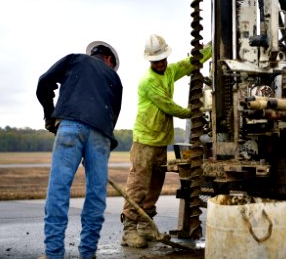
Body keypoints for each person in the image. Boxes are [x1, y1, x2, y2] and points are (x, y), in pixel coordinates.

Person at [120, 34, 212, 248]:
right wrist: (193, 112)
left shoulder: (169, 71)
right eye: (156, 61)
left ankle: (145, 226)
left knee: (154, 186)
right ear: (150, 61)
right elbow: (169, 107)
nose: (161, 64)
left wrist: (209, 50)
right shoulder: (148, 81)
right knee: (138, 185)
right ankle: (129, 230)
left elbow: (188, 64)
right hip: (145, 141)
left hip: (161, 141)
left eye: (163, 59)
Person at [36, 41, 123, 259]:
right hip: (101, 135)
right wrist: (96, 149)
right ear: (110, 60)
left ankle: (54, 254)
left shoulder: (75, 59)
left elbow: (44, 82)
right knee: (96, 195)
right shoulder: (115, 78)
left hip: (70, 126)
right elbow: (113, 115)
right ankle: (88, 253)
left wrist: (50, 114)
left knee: (58, 190)